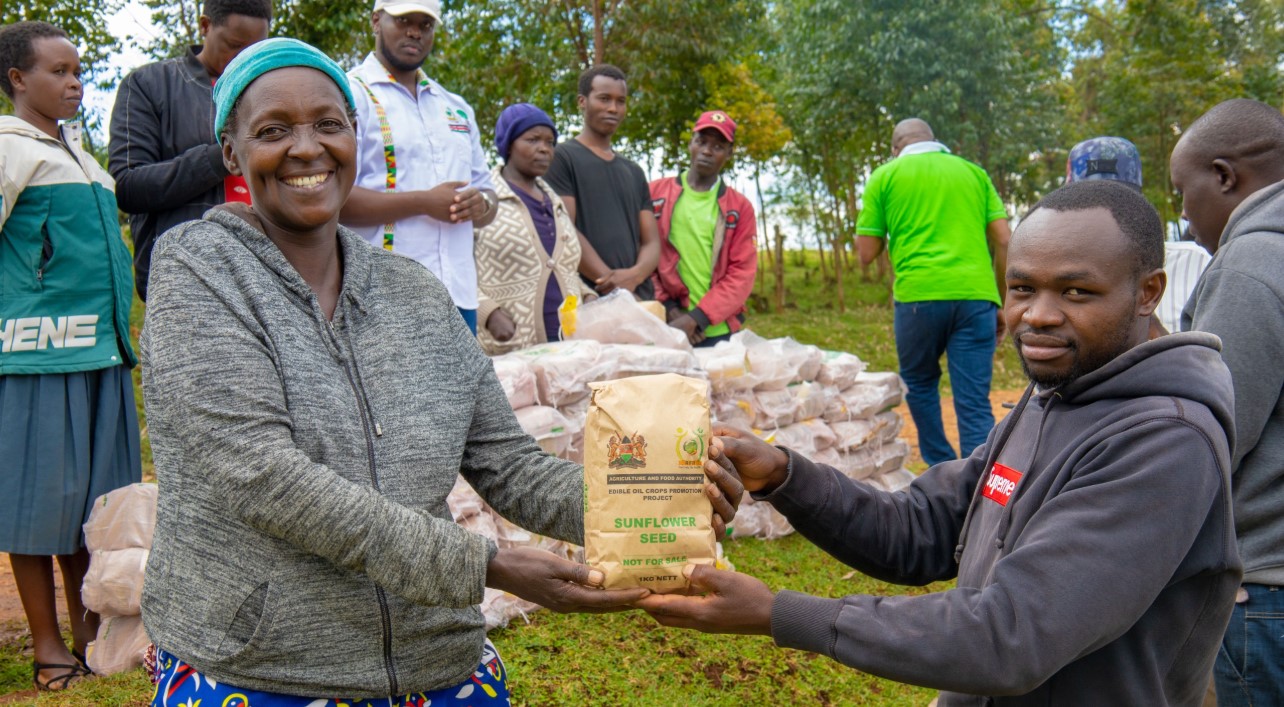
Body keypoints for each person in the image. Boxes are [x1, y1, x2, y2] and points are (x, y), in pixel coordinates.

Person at [138, 38, 740, 704]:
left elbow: (509, 464)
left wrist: (660, 501)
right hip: (264, 666)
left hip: (437, 662)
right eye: (273, 130)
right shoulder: (198, 268)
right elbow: (261, 473)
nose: (306, 148)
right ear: (232, 152)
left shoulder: (413, 293)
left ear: (354, 137)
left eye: (328, 124)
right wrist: (488, 564)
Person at [637, 180, 1242, 706]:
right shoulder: (1054, 394)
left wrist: (778, 612)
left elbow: (1012, 633)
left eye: (1076, 292)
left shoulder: (1167, 440)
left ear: (1147, 292)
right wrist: (784, 475)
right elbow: (922, 528)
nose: (1038, 316)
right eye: (1023, 288)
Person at [0, 21, 141, 691]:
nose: (73, 81)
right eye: (56, 71)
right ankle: (49, 643)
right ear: (16, 80)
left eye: (77, 69)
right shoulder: (7, 149)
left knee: (92, 508)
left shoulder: (87, 162)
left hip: (103, 355)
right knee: (37, 507)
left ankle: (90, 627)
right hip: (38, 359)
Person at [1170, 98, 1284, 707]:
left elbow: (1214, 435)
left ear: (1223, 176)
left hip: (1264, 589)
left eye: (1182, 192)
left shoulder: (1251, 266)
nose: (1185, 219)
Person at [856, 118, 1010, 466]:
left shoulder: (885, 176)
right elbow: (1004, 239)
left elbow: (866, 253)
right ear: (934, 140)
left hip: (917, 300)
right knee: (973, 400)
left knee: (920, 384)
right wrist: (998, 297)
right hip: (976, 297)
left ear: (896, 148)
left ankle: (941, 470)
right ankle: (982, 489)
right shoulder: (973, 172)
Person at [338, 0, 497, 334]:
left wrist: (480, 204)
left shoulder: (455, 108)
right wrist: (424, 202)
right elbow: (332, 199)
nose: (414, 31)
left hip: (458, 295)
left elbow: (488, 197)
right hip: (381, 296)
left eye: (425, 24)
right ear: (376, 21)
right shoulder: (350, 95)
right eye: (403, 20)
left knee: (459, 388)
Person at [108, 0, 271, 302]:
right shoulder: (148, 85)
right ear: (205, 26)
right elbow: (128, 187)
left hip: (268, 277)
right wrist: (224, 154)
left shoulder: (270, 90)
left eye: (255, 50)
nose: (244, 61)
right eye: (235, 46)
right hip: (187, 282)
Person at [474, 103, 594, 354]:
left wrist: (588, 297)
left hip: (569, 348)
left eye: (550, 142)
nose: (544, 149)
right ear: (508, 145)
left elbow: (564, 269)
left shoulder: (555, 203)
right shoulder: (483, 201)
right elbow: (454, 270)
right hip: (510, 349)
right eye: (533, 139)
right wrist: (488, 312)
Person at [1065, 135, 1211, 337]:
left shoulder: (1197, 264)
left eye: (1118, 201)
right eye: (1086, 204)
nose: (1103, 217)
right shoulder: (1052, 274)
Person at [545, 64, 660, 300]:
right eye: (604, 99)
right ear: (582, 102)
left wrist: (635, 277)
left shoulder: (634, 171)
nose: (613, 108)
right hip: (589, 298)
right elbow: (565, 230)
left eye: (621, 101)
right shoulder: (561, 158)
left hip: (640, 297)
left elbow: (651, 242)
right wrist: (615, 286)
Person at [649, 110, 757, 348]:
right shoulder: (656, 194)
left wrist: (698, 318)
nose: (707, 151)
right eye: (702, 142)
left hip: (716, 330)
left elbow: (742, 273)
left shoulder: (739, 208)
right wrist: (669, 309)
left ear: (728, 154)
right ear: (691, 143)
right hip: (665, 323)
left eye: (718, 146)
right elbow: (644, 253)